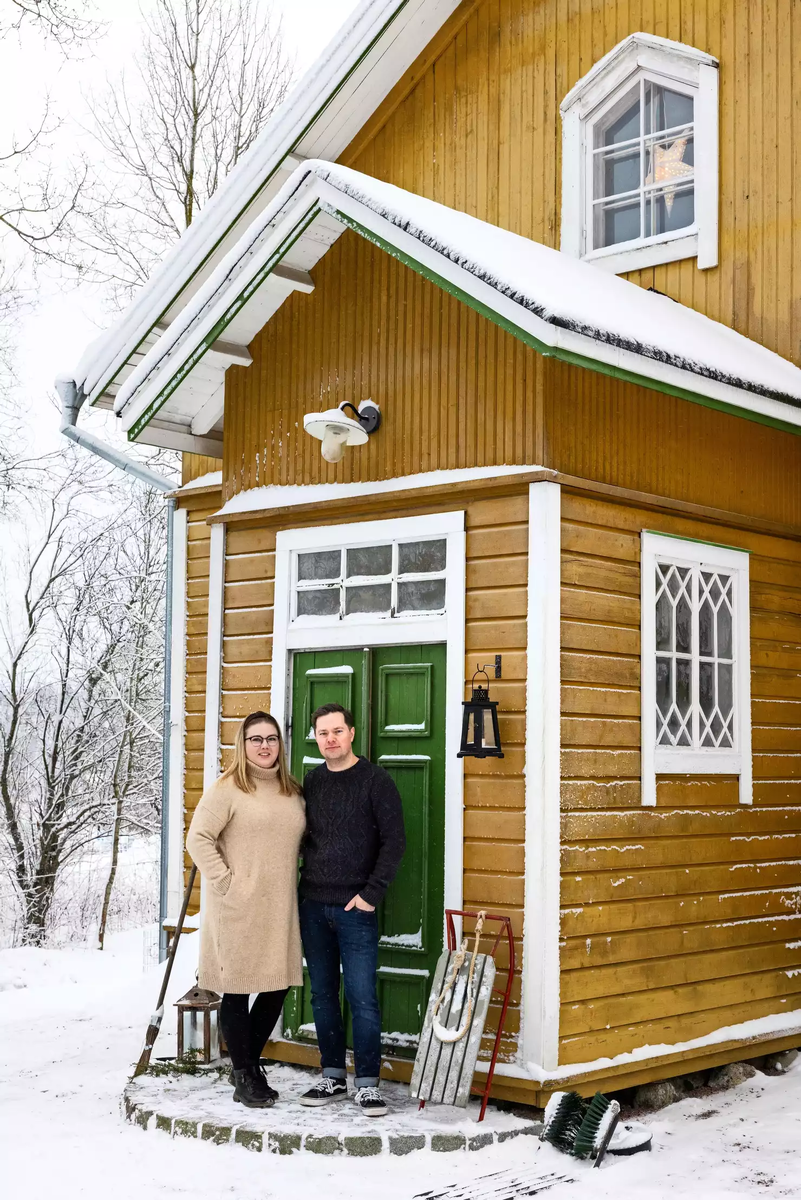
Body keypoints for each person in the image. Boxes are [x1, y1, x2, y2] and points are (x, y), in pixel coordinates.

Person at [186, 711, 304, 1109]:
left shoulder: (292, 791)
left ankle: (249, 1065)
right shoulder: (227, 788)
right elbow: (198, 839)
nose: (265, 746)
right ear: (243, 744)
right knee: (236, 988)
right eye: (256, 739)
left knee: (277, 982)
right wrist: (225, 883)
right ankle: (244, 1075)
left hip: (279, 907)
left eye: (271, 738)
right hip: (236, 906)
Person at [298, 703, 406, 1117]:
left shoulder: (376, 781)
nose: (330, 739)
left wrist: (370, 895)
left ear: (352, 733)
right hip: (314, 905)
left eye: (337, 731)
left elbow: (394, 842)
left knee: (362, 997)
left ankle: (367, 1083)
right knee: (323, 994)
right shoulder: (312, 782)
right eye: (323, 733)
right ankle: (331, 1075)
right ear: (317, 738)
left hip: (355, 909)